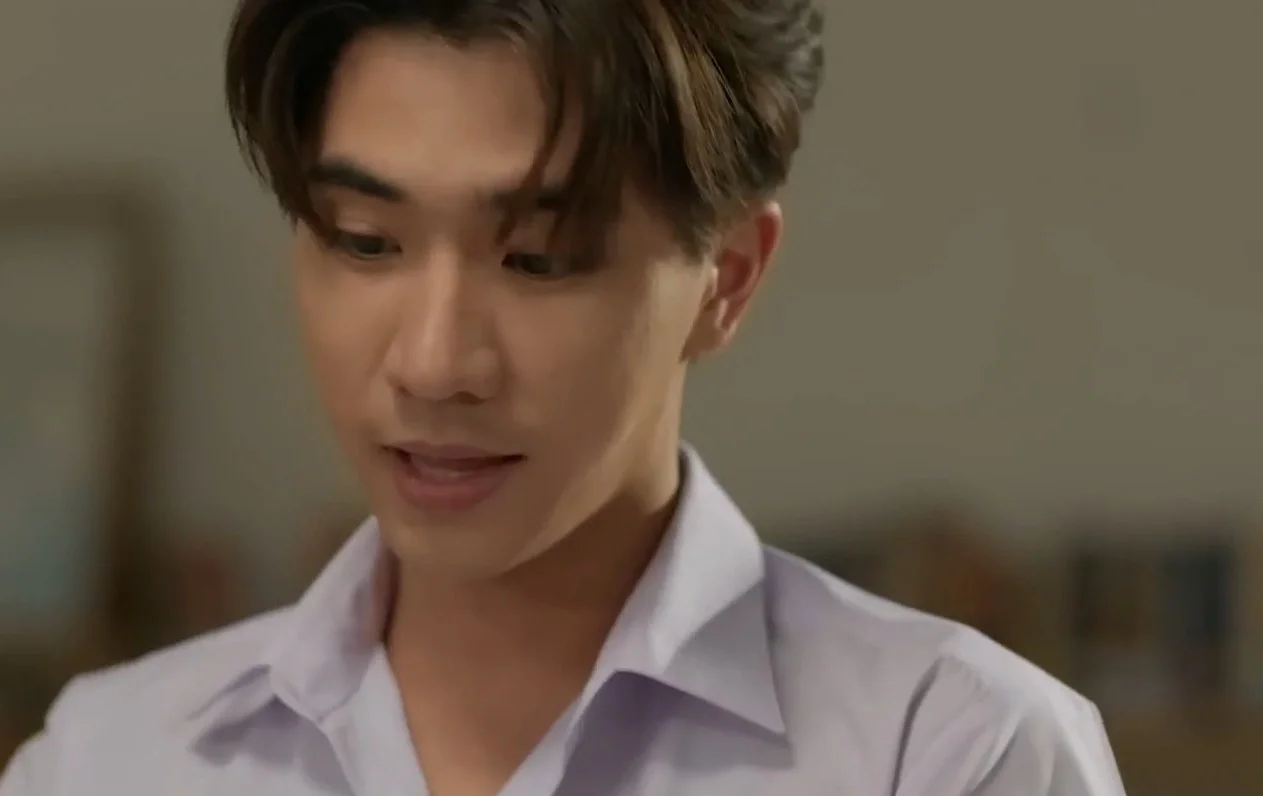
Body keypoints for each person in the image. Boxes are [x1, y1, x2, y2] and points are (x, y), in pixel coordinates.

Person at [0, 1, 1129, 794]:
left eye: (537, 258)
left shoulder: (945, 754)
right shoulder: (111, 763)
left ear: (726, 280)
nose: (433, 362)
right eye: (365, 241)